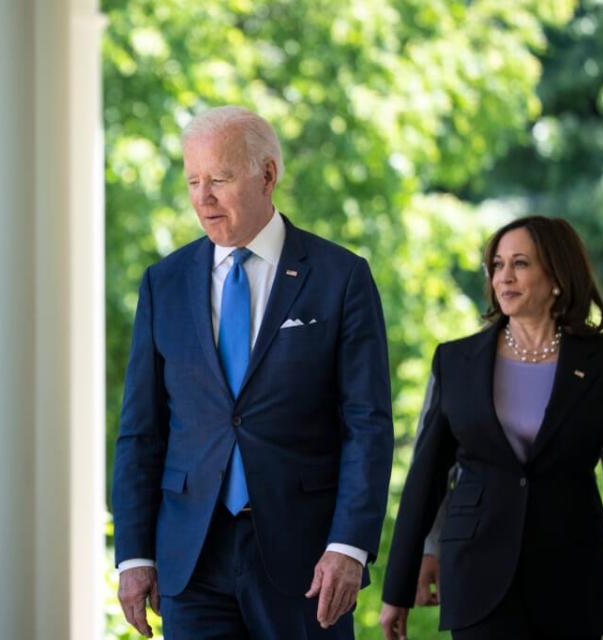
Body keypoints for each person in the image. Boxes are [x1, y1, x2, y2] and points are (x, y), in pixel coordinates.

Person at [111, 105, 394, 639]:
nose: (202, 197)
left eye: (218, 179)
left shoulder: (340, 277)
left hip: (307, 560)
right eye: (193, 180)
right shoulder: (163, 283)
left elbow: (368, 424)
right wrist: (134, 555)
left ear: (267, 176)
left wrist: (348, 545)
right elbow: (140, 431)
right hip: (191, 557)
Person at [380, 215, 603, 639]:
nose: (504, 277)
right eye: (497, 265)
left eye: (520, 264)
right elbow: (426, 476)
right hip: (477, 572)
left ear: (557, 276)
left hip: (575, 570)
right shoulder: (455, 361)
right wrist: (397, 587)